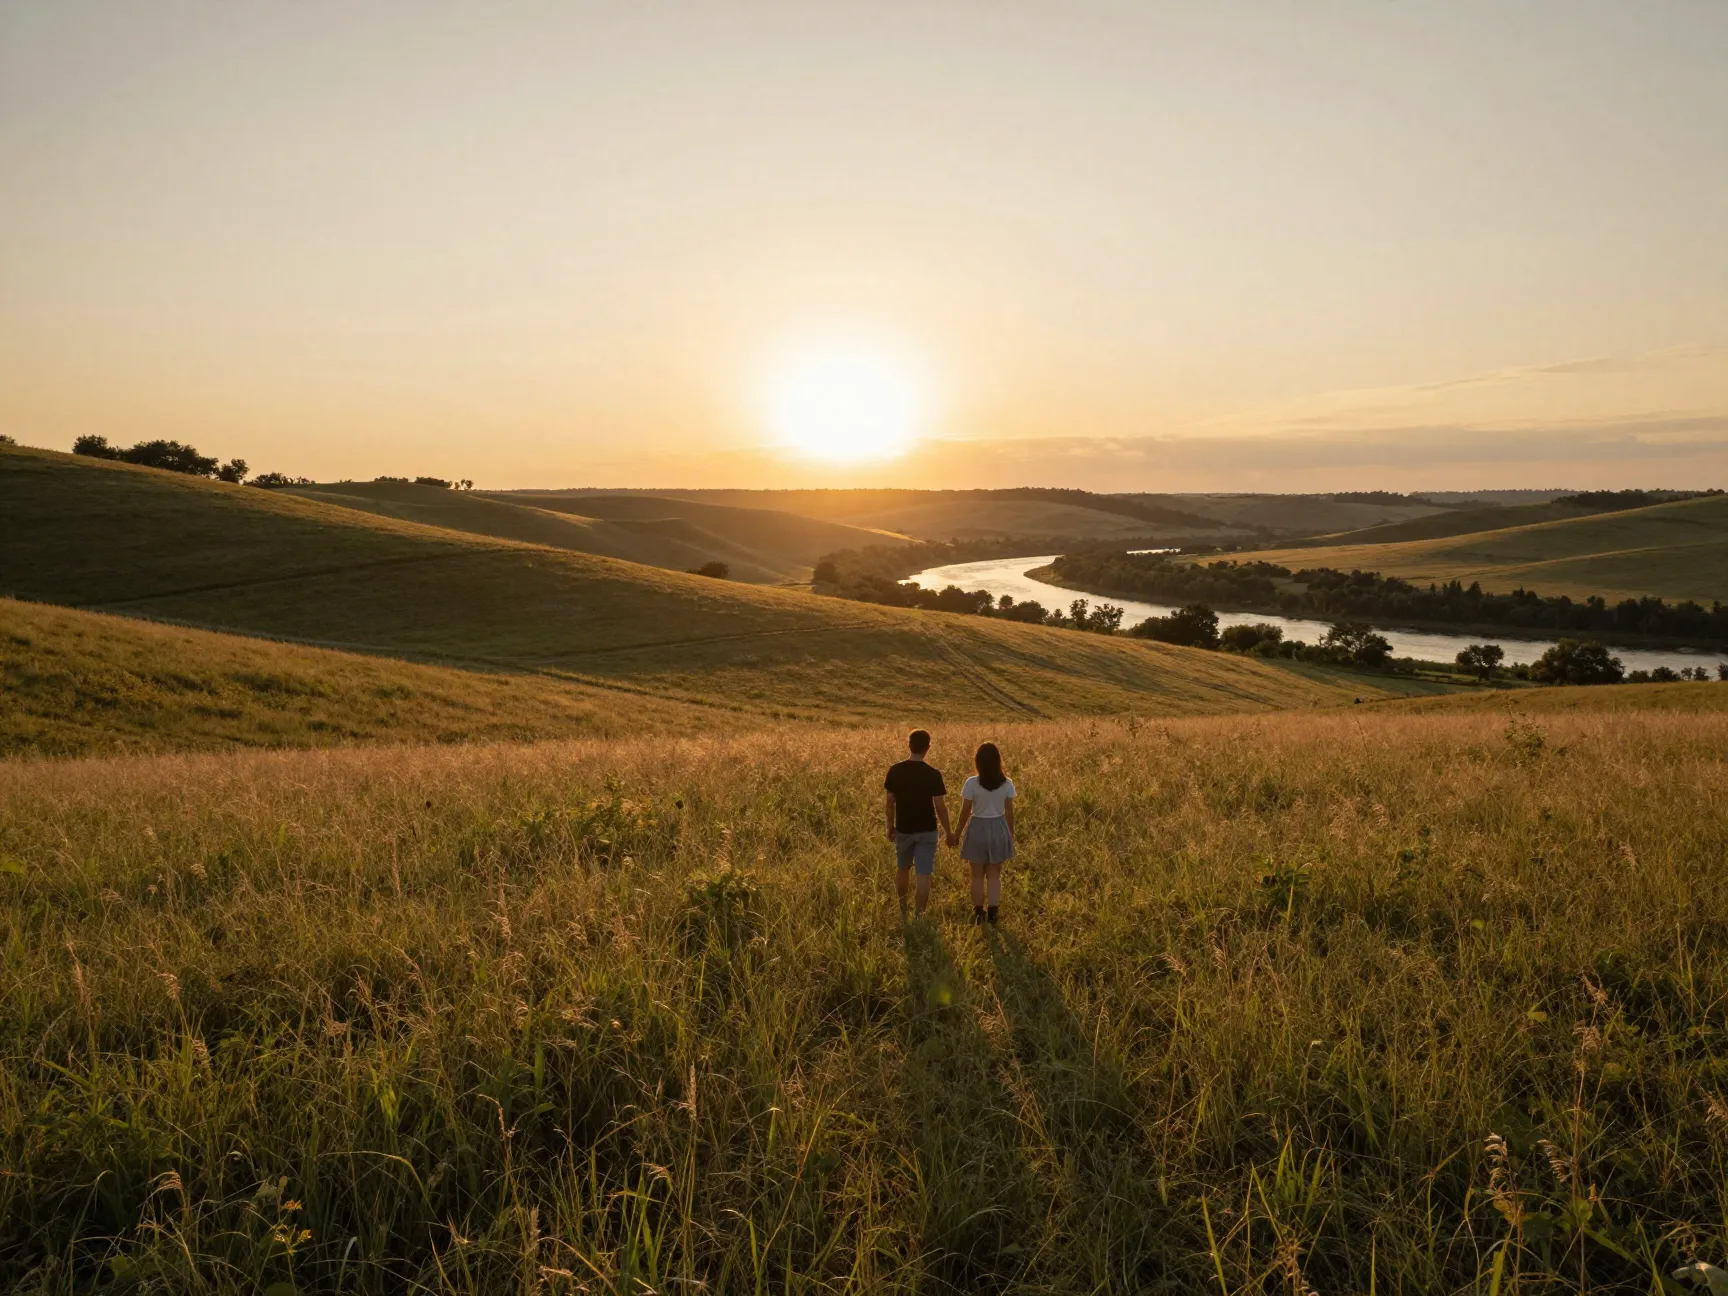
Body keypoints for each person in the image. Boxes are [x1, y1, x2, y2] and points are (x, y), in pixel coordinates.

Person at [883, 728, 953, 917]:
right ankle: (919, 914)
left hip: (903, 828)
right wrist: (948, 831)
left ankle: (902, 908)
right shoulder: (933, 774)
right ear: (927, 748)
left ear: (909, 745)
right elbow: (940, 807)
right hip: (927, 829)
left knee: (903, 868)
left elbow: (889, 802)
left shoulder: (895, 770)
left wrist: (890, 825)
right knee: (924, 873)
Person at [955, 741, 1015, 926]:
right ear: (998, 761)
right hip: (998, 826)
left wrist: (956, 833)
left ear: (978, 761)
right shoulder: (1006, 783)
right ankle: (993, 912)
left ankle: (979, 912)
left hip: (977, 827)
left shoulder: (971, 783)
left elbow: (965, 812)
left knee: (976, 875)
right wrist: (1010, 835)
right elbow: (1009, 812)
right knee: (994, 874)